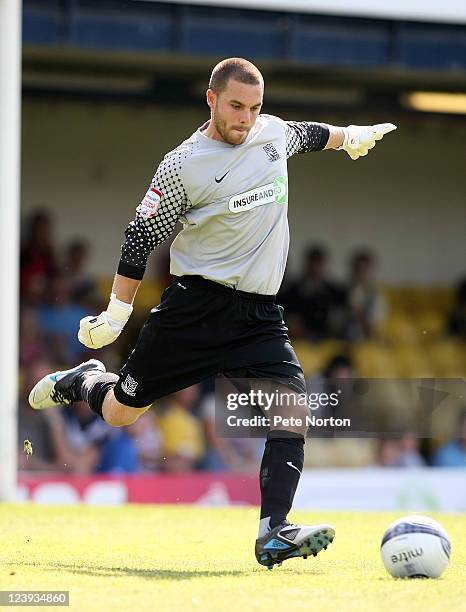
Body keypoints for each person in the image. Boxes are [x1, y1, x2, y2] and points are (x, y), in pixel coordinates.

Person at [29, 57, 396, 569]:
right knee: (119, 412)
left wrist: (348, 136)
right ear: (211, 99)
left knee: (292, 412)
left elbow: (307, 134)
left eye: (254, 107)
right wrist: (116, 313)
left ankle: (274, 532)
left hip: (260, 314)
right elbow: (141, 236)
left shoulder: (271, 133)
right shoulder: (182, 164)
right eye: (236, 106)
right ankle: (87, 380)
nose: (245, 119)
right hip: (196, 309)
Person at [279, 245, 347, 340]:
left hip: (328, 341)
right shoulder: (292, 292)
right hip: (301, 342)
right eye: (313, 264)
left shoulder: (336, 292)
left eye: (318, 265)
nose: (315, 269)